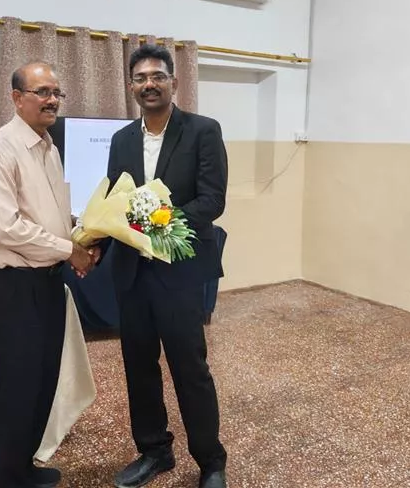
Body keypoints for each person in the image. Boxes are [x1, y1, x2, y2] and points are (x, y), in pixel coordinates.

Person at [106, 45, 229, 488]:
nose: (149, 84)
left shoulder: (202, 131)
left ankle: (211, 461)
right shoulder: (121, 139)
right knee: (139, 367)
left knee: (189, 369)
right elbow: (115, 200)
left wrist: (155, 220)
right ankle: (155, 451)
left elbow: (212, 201)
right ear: (131, 87)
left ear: (174, 83)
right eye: (140, 78)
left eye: (157, 76)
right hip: (133, 273)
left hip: (178, 272)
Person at [0, 62, 97, 488]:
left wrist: (81, 236)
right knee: (17, 387)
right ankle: (5, 478)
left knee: (42, 382)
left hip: (49, 283)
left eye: (57, 92)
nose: (52, 100)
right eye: (42, 91)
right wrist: (69, 250)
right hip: (14, 289)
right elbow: (6, 227)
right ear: (16, 97)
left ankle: (22, 468)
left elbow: (51, 216)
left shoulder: (49, 148)